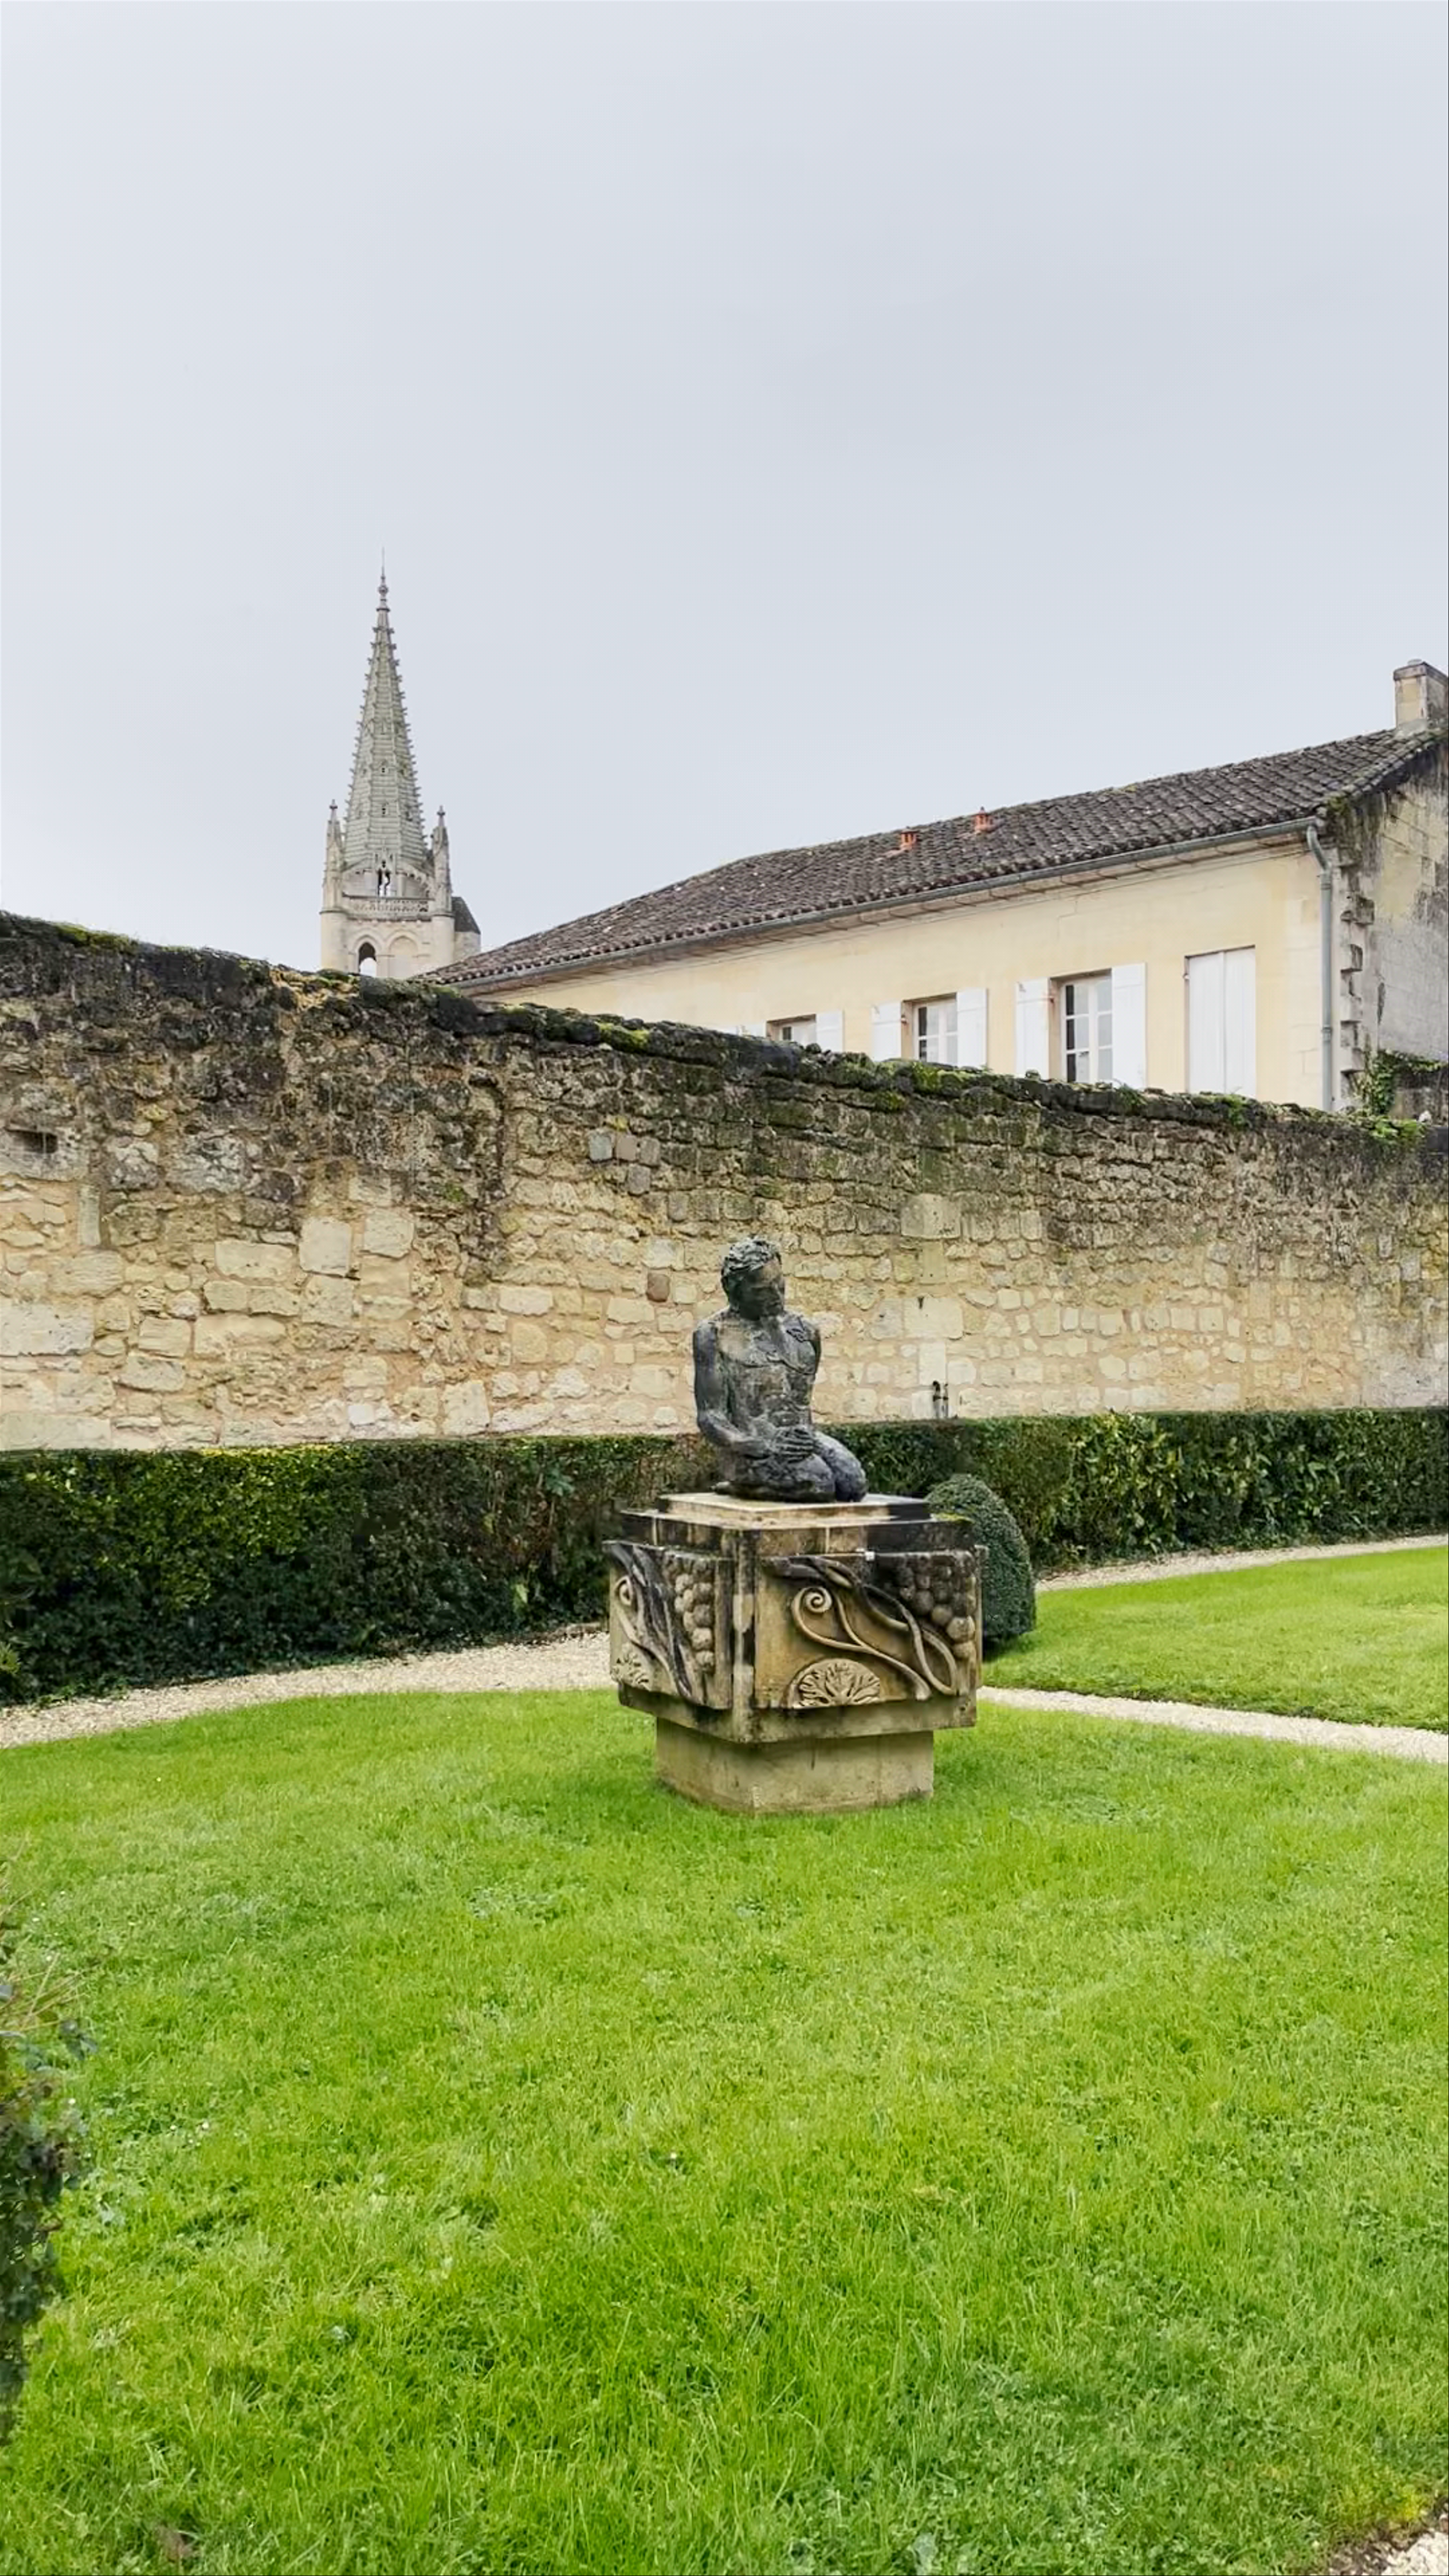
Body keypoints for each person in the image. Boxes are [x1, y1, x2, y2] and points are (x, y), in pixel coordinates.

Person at [693, 1236, 868, 1502]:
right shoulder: (714, 1334)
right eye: (763, 1290)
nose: (776, 1296)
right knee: (819, 1483)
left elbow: (801, 1404)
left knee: (854, 1483)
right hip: (750, 1449)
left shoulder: (807, 1331)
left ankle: (778, 1478)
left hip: (803, 1441)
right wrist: (759, 1445)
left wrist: (806, 1440)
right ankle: (740, 1485)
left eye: (779, 1284)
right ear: (732, 1288)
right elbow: (711, 1417)